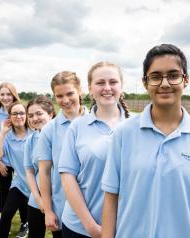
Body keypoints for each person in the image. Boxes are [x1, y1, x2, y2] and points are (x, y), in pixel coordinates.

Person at [101, 44, 190, 238]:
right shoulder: (123, 134)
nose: (165, 83)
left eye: (173, 75)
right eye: (156, 76)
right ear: (145, 82)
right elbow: (110, 199)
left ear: (186, 80)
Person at [58, 62, 130, 237]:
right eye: (100, 83)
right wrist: (90, 226)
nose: (107, 88)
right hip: (80, 228)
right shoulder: (77, 127)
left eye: (113, 82)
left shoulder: (138, 126)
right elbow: (68, 178)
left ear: (121, 86)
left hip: (125, 228)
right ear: (90, 89)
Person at [37, 71, 87, 238]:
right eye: (59, 96)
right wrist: (48, 211)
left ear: (80, 91)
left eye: (70, 93)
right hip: (63, 212)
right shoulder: (49, 130)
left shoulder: (98, 122)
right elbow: (43, 173)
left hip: (97, 208)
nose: (65, 100)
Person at [0, 82, 27, 234]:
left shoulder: (34, 133)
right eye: (15, 114)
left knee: (37, 217)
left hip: (34, 182)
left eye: (21, 114)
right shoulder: (7, 134)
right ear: (9, 117)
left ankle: (25, 223)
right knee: (6, 211)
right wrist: (3, 133)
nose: (18, 116)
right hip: (19, 180)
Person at [24, 95, 56, 238]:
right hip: (37, 202)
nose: (34, 118)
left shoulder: (63, 135)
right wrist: (38, 200)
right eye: (30, 115)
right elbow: (30, 172)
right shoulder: (30, 140)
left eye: (39, 113)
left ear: (50, 114)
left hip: (60, 200)